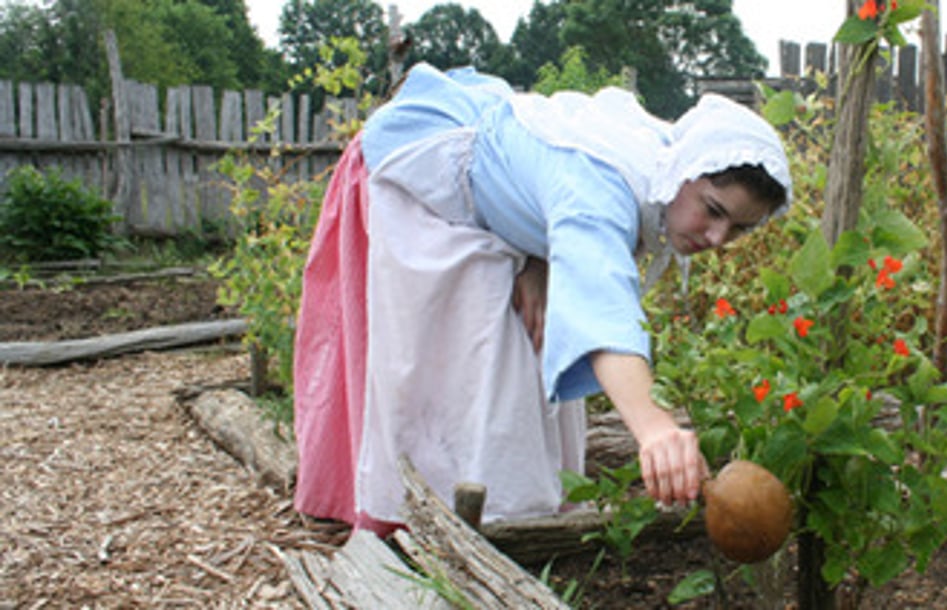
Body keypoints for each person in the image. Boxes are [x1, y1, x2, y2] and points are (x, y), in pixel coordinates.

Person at [290, 63, 792, 534]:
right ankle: (422, 515)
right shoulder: (606, 187)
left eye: (740, 229)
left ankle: (496, 515)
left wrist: (541, 256)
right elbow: (601, 305)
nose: (717, 237)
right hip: (429, 171)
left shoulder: (660, 162)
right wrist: (653, 426)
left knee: (529, 332)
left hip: (496, 178)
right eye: (713, 210)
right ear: (686, 171)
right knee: (455, 359)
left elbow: (554, 186)